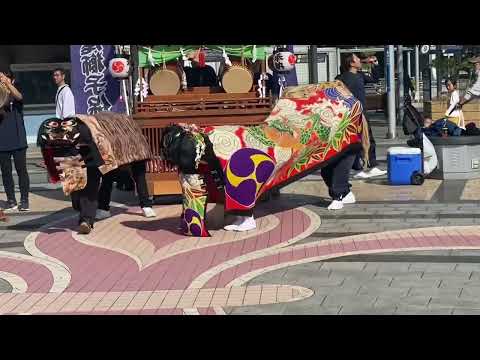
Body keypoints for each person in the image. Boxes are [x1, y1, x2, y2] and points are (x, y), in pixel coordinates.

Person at [337, 53, 387, 179]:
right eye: (357, 59)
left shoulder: (359, 76)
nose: (360, 61)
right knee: (360, 140)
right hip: (354, 114)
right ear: (351, 63)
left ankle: (365, 166)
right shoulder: (343, 78)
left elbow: (375, 78)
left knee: (363, 140)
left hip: (357, 114)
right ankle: (364, 167)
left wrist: (375, 65)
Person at [0, 71, 30, 212]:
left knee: (21, 171)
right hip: (2, 140)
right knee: (6, 172)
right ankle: (11, 200)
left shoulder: (16, 91)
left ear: (12, 80)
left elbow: (19, 96)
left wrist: (6, 82)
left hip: (18, 140)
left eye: (6, 79)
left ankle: (24, 200)